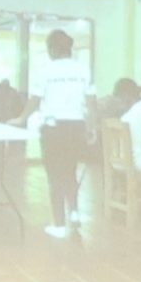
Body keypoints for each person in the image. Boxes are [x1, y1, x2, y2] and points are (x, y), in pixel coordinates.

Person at [28, 28, 91, 239]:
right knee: (70, 171)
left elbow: (35, 100)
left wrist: (20, 118)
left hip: (53, 128)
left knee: (54, 174)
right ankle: (74, 213)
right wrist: (91, 127)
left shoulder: (45, 71)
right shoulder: (83, 70)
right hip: (76, 126)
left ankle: (59, 224)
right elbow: (90, 101)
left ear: (52, 49)